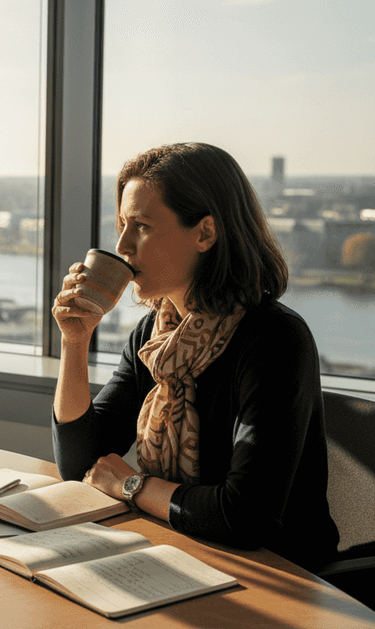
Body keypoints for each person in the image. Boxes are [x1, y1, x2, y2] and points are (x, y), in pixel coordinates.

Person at [51, 142, 339, 571]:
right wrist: (74, 342)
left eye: (142, 226)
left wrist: (131, 486)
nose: (123, 245)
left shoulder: (275, 339)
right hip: (184, 552)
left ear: (204, 233)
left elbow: (245, 517)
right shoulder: (156, 335)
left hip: (277, 573)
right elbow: (80, 463)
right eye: (122, 225)